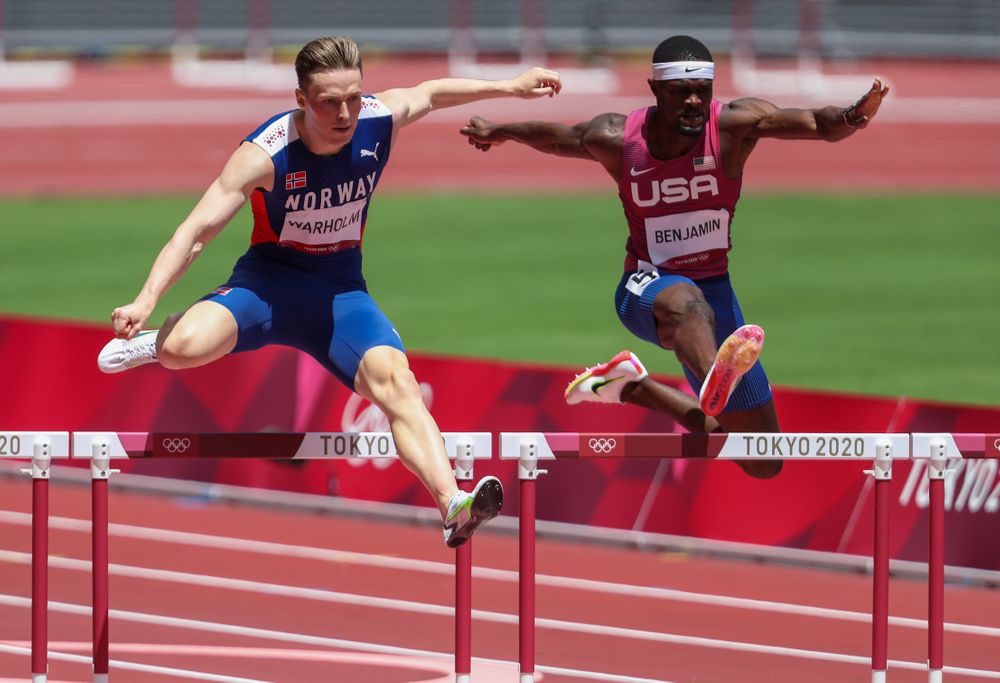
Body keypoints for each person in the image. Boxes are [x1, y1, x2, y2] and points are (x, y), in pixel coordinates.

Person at [97, 36, 562, 546]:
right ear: (301, 100)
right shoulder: (264, 154)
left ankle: (453, 504)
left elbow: (430, 92)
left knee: (398, 384)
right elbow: (195, 233)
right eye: (328, 102)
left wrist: (510, 86)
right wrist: (146, 300)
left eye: (353, 98)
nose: (344, 113)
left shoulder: (376, 119)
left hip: (340, 293)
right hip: (268, 285)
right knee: (182, 348)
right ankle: (155, 343)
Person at [460, 35, 888, 478]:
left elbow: (820, 125)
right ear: (655, 90)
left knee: (763, 458)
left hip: (715, 291)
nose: (692, 101)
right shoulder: (617, 137)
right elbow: (555, 137)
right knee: (687, 304)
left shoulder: (733, 126)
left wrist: (854, 114)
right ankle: (713, 379)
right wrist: (500, 131)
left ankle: (633, 387)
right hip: (646, 287)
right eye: (680, 92)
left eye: (701, 91)